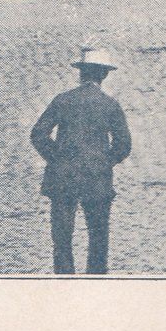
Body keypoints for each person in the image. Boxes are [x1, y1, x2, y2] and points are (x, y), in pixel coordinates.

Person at [29, 46, 132, 275]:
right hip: (97, 177)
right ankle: (95, 283)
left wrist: (56, 158)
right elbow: (124, 145)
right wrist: (104, 162)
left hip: (63, 176)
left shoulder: (63, 100)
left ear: (81, 73)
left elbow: (38, 134)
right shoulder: (110, 104)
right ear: (104, 75)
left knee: (62, 238)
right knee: (98, 236)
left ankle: (65, 283)